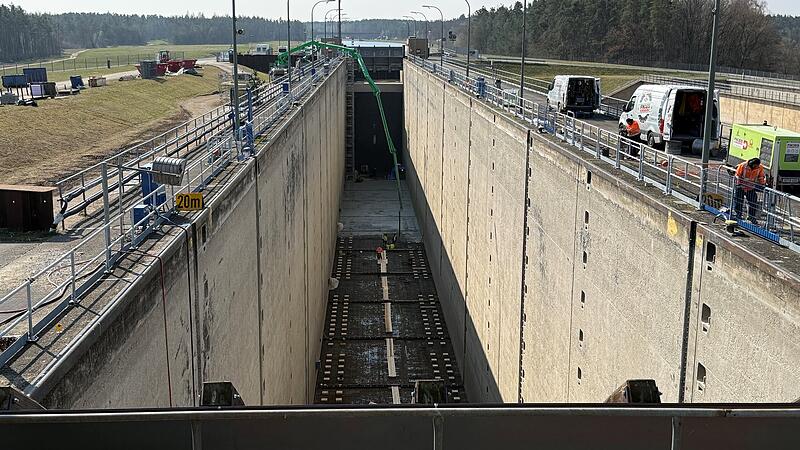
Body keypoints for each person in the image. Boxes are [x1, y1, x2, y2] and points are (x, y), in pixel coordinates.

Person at [733, 158, 766, 224]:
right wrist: (740, 185)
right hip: (741, 186)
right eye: (756, 166)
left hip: (750, 187)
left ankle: (751, 217)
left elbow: (761, 176)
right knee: (739, 201)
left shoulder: (760, 167)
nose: (757, 167)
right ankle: (738, 214)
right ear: (753, 164)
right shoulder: (743, 166)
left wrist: (763, 184)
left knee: (753, 202)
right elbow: (737, 175)